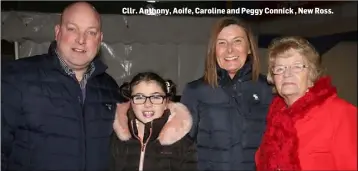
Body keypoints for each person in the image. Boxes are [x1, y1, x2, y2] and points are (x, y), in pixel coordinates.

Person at [1, 2, 122, 171]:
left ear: (100, 39)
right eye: (72, 29)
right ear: (58, 32)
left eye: (91, 32)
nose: (81, 39)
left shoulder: (110, 88)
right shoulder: (16, 77)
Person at [180, 16, 273, 170]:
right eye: (222, 43)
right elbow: (182, 147)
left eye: (237, 41)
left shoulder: (267, 89)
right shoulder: (195, 91)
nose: (230, 49)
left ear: (249, 48)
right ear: (213, 49)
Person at [255, 36, 357, 171]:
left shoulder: (341, 113)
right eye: (280, 68)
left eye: (297, 67)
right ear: (273, 78)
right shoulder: (274, 118)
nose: (287, 74)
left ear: (311, 75)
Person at [110, 72, 197, 171]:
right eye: (139, 97)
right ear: (130, 102)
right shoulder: (118, 139)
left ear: (166, 102)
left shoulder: (183, 143)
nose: (147, 104)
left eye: (156, 97)